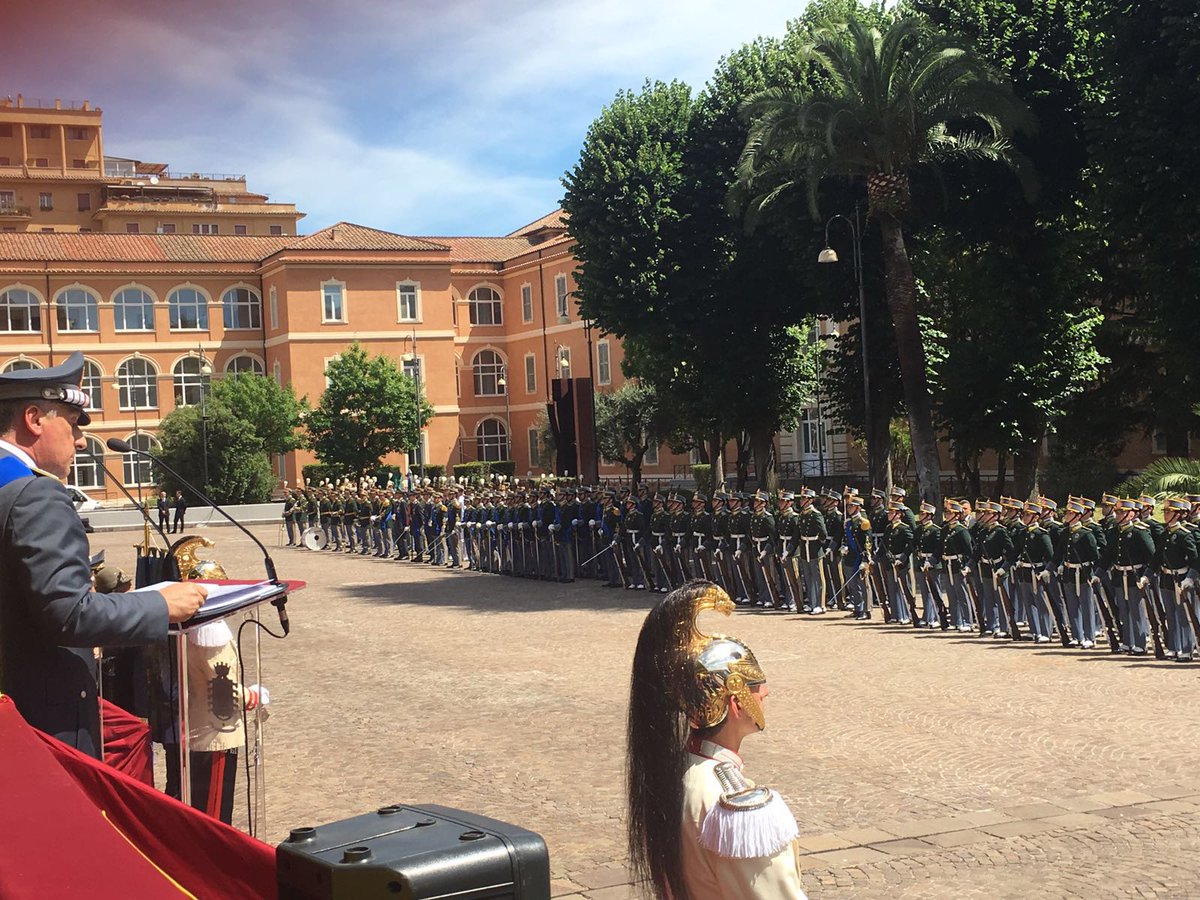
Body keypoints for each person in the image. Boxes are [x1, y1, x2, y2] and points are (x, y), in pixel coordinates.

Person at [0, 351, 207, 757]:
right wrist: (160, 605)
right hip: (38, 726)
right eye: (73, 422)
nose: (80, 440)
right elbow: (69, 613)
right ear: (34, 419)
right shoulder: (35, 494)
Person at [627, 582, 805, 899]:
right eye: (756, 689)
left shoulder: (675, 774)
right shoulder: (735, 806)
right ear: (736, 703)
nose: (765, 693)